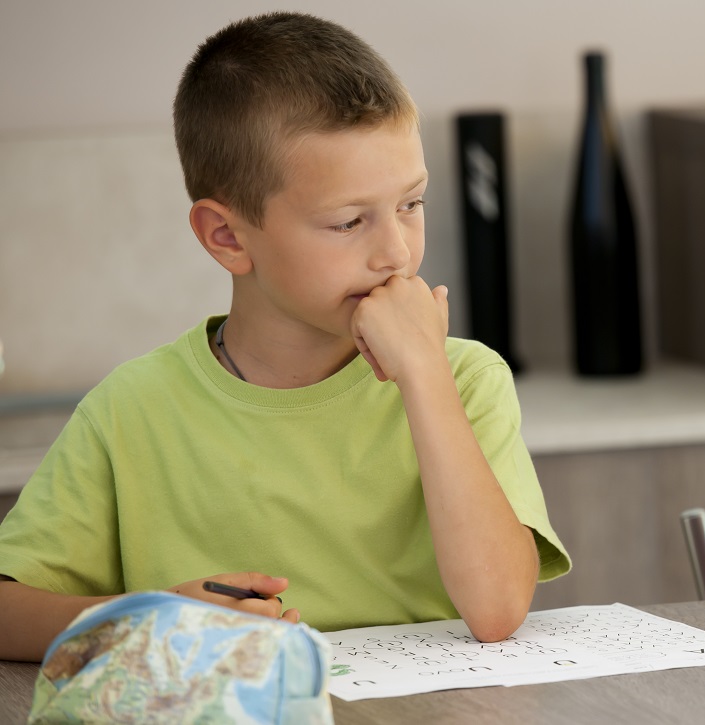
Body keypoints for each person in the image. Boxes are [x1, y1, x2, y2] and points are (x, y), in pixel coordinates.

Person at [0, 11, 570, 662]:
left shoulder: (464, 378)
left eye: (411, 204)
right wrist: (150, 618)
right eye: (348, 220)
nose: (395, 253)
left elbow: (497, 610)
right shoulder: (130, 409)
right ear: (227, 236)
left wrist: (423, 375)